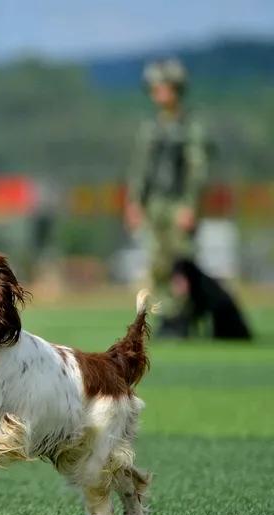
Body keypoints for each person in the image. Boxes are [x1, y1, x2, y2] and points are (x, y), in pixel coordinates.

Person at [125, 59, 209, 337]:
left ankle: (182, 316)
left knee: (180, 262)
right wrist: (135, 202)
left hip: (177, 204)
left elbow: (196, 170)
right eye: (155, 87)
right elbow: (140, 170)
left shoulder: (189, 126)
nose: (158, 92)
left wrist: (190, 205)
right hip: (155, 205)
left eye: (163, 87)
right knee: (157, 263)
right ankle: (166, 316)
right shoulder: (151, 127)